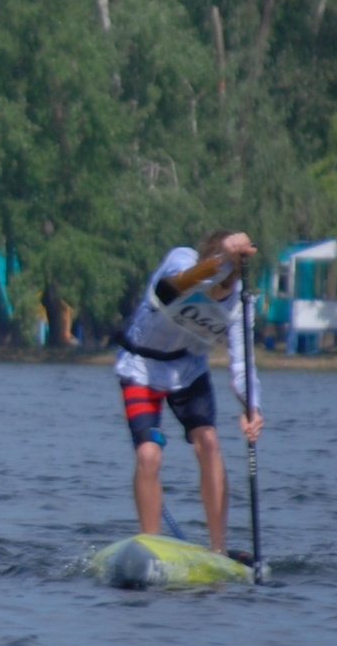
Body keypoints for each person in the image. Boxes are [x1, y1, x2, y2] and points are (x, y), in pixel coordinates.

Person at [113, 232, 265, 558]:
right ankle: (150, 548)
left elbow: (242, 366)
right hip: (142, 367)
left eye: (222, 286)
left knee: (209, 442)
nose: (215, 293)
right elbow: (169, 288)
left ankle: (218, 549)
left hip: (188, 369)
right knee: (149, 455)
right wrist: (221, 260)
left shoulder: (240, 302)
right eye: (213, 282)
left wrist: (251, 407)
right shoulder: (181, 262)